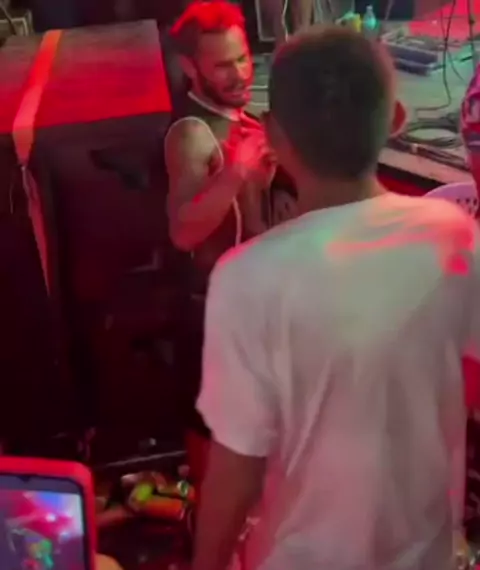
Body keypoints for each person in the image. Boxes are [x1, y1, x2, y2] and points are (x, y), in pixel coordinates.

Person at [193, 26, 480, 570]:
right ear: (397, 119)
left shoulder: (245, 278)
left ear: (273, 137)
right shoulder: (456, 235)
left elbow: (236, 470)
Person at [165, 1, 275, 484]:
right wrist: (236, 173)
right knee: (215, 457)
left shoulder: (237, 117)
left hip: (250, 312)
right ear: (190, 68)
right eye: (223, 65)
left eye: (243, 57)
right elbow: (183, 231)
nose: (240, 73)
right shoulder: (191, 134)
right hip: (211, 318)